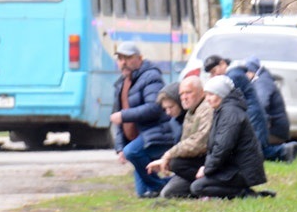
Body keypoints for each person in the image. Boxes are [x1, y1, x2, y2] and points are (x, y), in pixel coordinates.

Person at [203, 55, 297, 163]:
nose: (214, 75)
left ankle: (285, 151)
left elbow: (227, 96)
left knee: (255, 150)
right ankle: (285, 151)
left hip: (252, 114)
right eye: (211, 73)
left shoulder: (233, 76)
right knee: (255, 148)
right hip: (251, 112)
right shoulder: (234, 73)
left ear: (222, 63)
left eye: (214, 71)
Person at [110, 42, 178, 198]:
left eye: (128, 57)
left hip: (156, 133)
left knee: (132, 152)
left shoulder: (151, 76)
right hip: (140, 136)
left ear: (139, 58)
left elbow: (154, 107)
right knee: (143, 193)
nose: (123, 62)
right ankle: (174, 185)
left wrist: (124, 116)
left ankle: (169, 186)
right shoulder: (121, 83)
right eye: (120, 58)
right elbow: (118, 118)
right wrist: (120, 147)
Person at [190, 75, 268, 199]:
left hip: (241, 170)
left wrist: (207, 169)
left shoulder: (230, 113)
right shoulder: (224, 109)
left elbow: (222, 147)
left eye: (211, 95)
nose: (208, 99)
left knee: (198, 187)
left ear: (221, 94)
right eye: (207, 95)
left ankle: (245, 194)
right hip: (233, 167)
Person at [146, 76, 214, 198]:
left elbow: (199, 143)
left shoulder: (206, 109)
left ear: (201, 92)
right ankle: (201, 188)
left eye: (188, 92)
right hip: (195, 161)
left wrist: (167, 156)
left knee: (176, 163)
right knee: (168, 193)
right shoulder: (189, 112)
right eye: (181, 94)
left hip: (209, 161)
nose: (184, 97)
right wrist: (165, 161)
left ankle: (212, 185)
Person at [244, 56, 290, 145]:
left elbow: (261, 104)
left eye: (246, 72)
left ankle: (283, 151)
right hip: (274, 129)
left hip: (274, 132)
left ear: (251, 71)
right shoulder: (261, 79)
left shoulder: (262, 82)